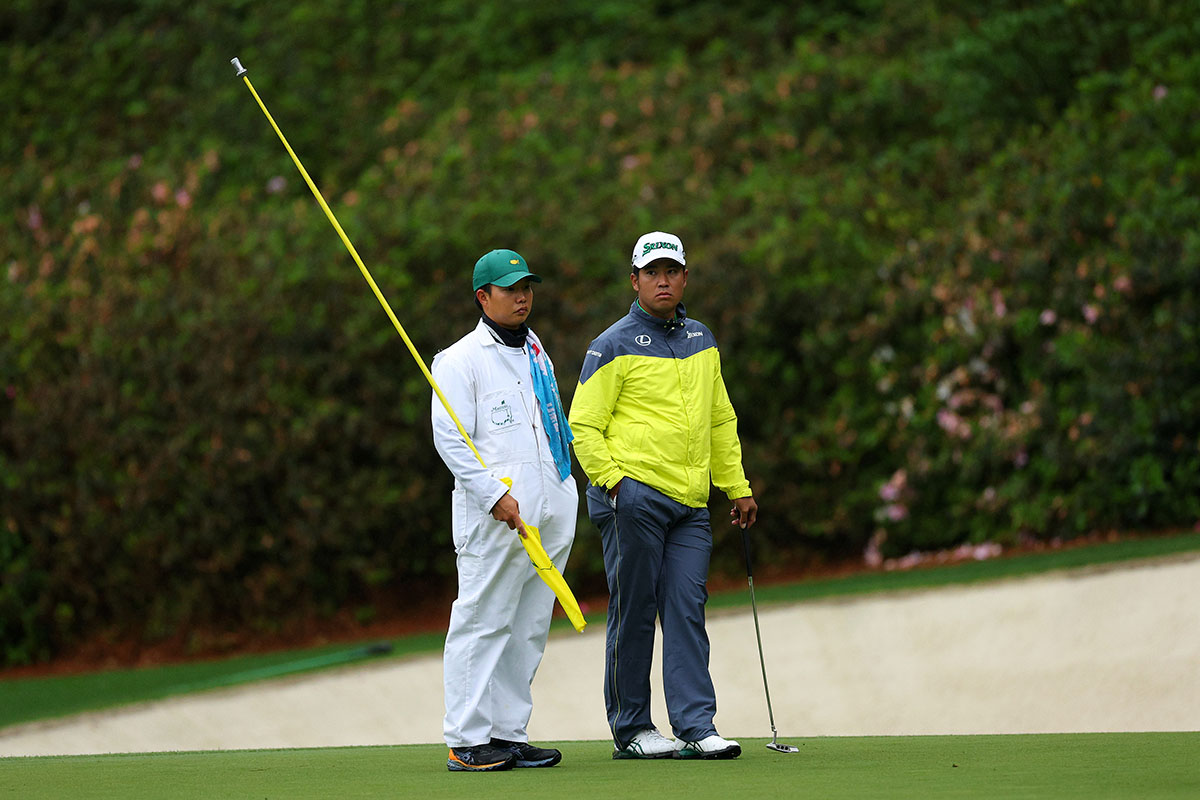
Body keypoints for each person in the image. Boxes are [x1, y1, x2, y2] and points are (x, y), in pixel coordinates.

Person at [568, 231, 758, 761]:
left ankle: (696, 726)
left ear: (685, 277)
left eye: (672, 271)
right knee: (634, 610)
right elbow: (582, 425)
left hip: (691, 504)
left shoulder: (702, 338)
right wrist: (615, 484)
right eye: (652, 272)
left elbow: (720, 417)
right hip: (634, 497)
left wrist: (736, 487)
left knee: (686, 608)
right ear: (635, 280)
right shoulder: (612, 343)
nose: (663, 280)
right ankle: (632, 728)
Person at [430, 249, 578, 772]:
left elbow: (551, 426)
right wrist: (494, 495)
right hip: (495, 517)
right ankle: (466, 740)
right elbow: (451, 439)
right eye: (510, 288)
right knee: (482, 622)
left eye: (527, 287)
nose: (522, 296)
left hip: (548, 509)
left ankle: (508, 733)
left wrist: (566, 491)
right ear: (482, 296)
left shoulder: (536, 349)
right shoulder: (460, 359)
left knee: (529, 624)